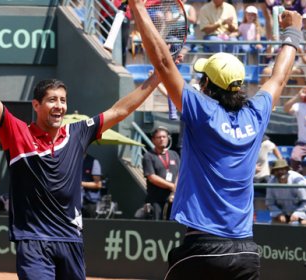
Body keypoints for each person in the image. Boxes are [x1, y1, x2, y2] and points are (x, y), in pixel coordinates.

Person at [0, 16, 159, 280]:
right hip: (33, 241)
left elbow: (121, 109)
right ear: (36, 105)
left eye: (63, 100)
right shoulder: (17, 132)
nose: (59, 106)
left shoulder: (78, 132)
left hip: (71, 240)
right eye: (52, 100)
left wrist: (155, 80)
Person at [129, 0, 302, 278]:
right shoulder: (255, 114)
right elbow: (279, 79)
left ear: (207, 85)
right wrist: (293, 34)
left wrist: (136, 6)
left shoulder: (202, 111)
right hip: (245, 252)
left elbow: (162, 62)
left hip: (202, 250)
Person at [142, 126, 180, 220]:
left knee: (172, 226)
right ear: (153, 140)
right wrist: (171, 186)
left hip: (173, 199)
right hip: (156, 200)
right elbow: (152, 177)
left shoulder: (174, 154)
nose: (162, 139)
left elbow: (180, 173)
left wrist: (175, 189)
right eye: (159, 137)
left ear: (168, 138)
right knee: (157, 228)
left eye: (164, 137)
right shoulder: (148, 156)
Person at [266, 159, 306, 224]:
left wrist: (297, 214)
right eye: (277, 170)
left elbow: (305, 202)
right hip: (282, 213)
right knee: (274, 223)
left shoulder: (298, 180)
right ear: (274, 172)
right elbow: (270, 203)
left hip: (302, 212)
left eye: (282, 169)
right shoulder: (271, 182)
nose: (280, 172)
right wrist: (278, 214)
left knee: (302, 223)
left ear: (287, 170)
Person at [284, 87, 306, 174]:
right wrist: (297, 97)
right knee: (294, 158)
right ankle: (299, 179)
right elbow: (286, 109)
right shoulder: (299, 105)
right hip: (302, 143)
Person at [81, 153, 103, 218]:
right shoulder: (69, 160)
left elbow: (98, 184)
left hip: (90, 202)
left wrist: (81, 184)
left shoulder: (94, 162)